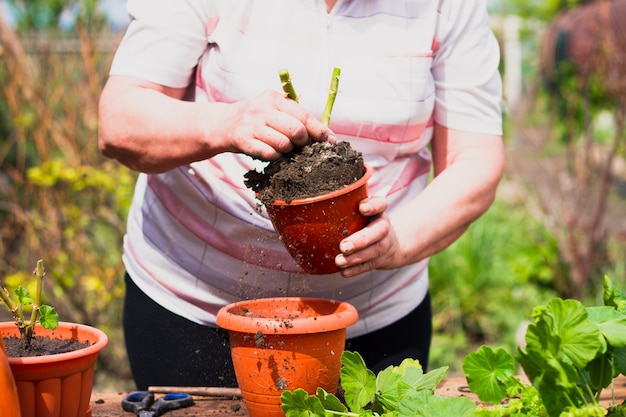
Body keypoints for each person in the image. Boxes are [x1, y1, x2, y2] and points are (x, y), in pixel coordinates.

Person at [98, 0, 504, 390]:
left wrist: (399, 240)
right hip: (196, 309)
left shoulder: (446, 5)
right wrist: (225, 123)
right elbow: (121, 120)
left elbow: (475, 159)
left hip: (372, 324)